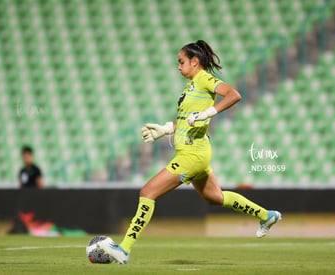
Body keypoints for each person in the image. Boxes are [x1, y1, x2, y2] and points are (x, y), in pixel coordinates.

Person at [99, 40, 281, 264]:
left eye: (181, 61)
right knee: (216, 197)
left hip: (192, 154)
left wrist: (209, 112)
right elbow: (187, 121)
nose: (178, 66)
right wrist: (165, 129)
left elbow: (234, 94)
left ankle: (124, 249)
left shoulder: (203, 78)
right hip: (197, 151)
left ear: (194, 62)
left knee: (148, 192)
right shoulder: (192, 85)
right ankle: (266, 215)